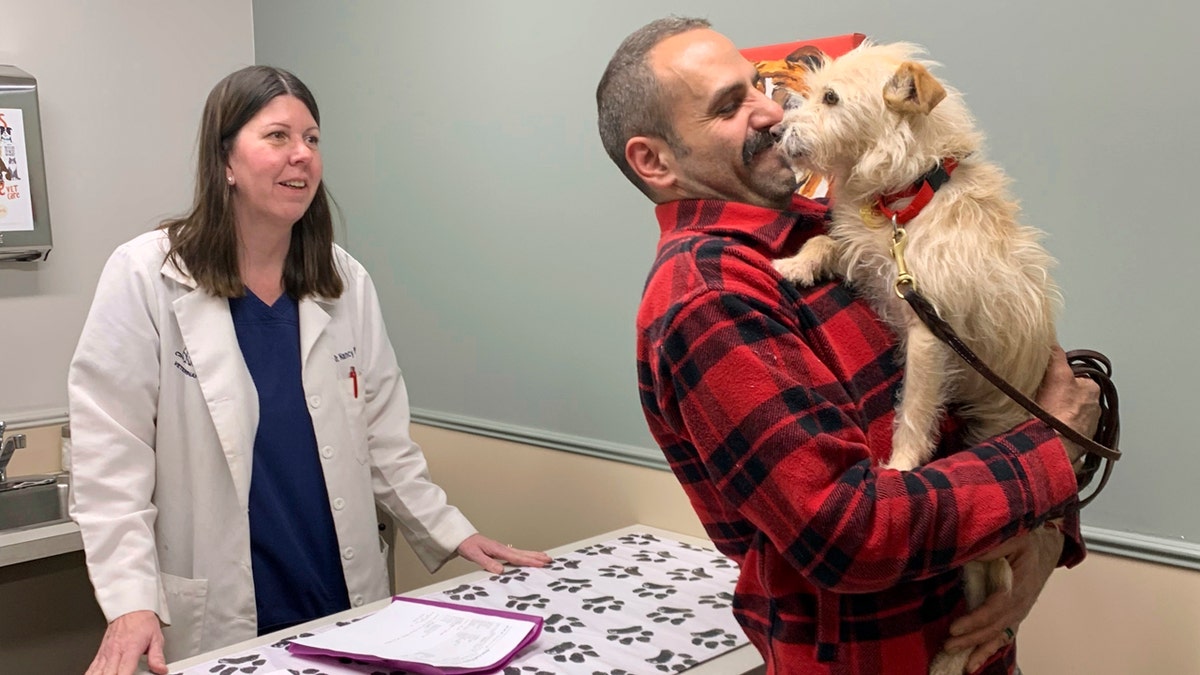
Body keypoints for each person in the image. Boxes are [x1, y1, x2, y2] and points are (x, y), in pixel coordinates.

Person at [597, 17, 1100, 675]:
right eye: (729, 106)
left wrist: (1040, 545)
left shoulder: (847, 223)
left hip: (972, 644)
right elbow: (848, 533)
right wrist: (1052, 455)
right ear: (654, 160)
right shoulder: (710, 297)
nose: (773, 112)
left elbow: (1014, 372)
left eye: (759, 86)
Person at [68, 65, 551, 675]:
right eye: (277, 137)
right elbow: (112, 459)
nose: (302, 155)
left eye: (313, 139)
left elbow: (382, 438)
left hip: (339, 593)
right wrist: (130, 603)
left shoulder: (343, 280)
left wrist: (451, 530)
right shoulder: (147, 276)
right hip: (225, 609)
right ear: (225, 161)